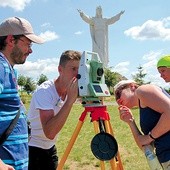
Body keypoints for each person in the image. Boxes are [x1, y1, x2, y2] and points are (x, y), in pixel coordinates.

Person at [0, 17, 44, 170]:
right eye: (28, 44)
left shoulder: (8, 69)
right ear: (11, 40)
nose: (31, 50)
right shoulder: (0, 66)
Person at [27, 50, 81, 170]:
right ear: (60, 69)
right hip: (33, 150)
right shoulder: (45, 91)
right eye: (73, 69)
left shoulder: (69, 90)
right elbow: (50, 132)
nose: (78, 74)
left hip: (50, 148)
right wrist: (69, 102)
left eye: (80, 69)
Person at [114, 80, 170, 169]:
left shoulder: (142, 90)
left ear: (132, 86)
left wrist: (149, 137)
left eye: (118, 93)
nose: (117, 99)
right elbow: (145, 145)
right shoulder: (144, 107)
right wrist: (131, 122)